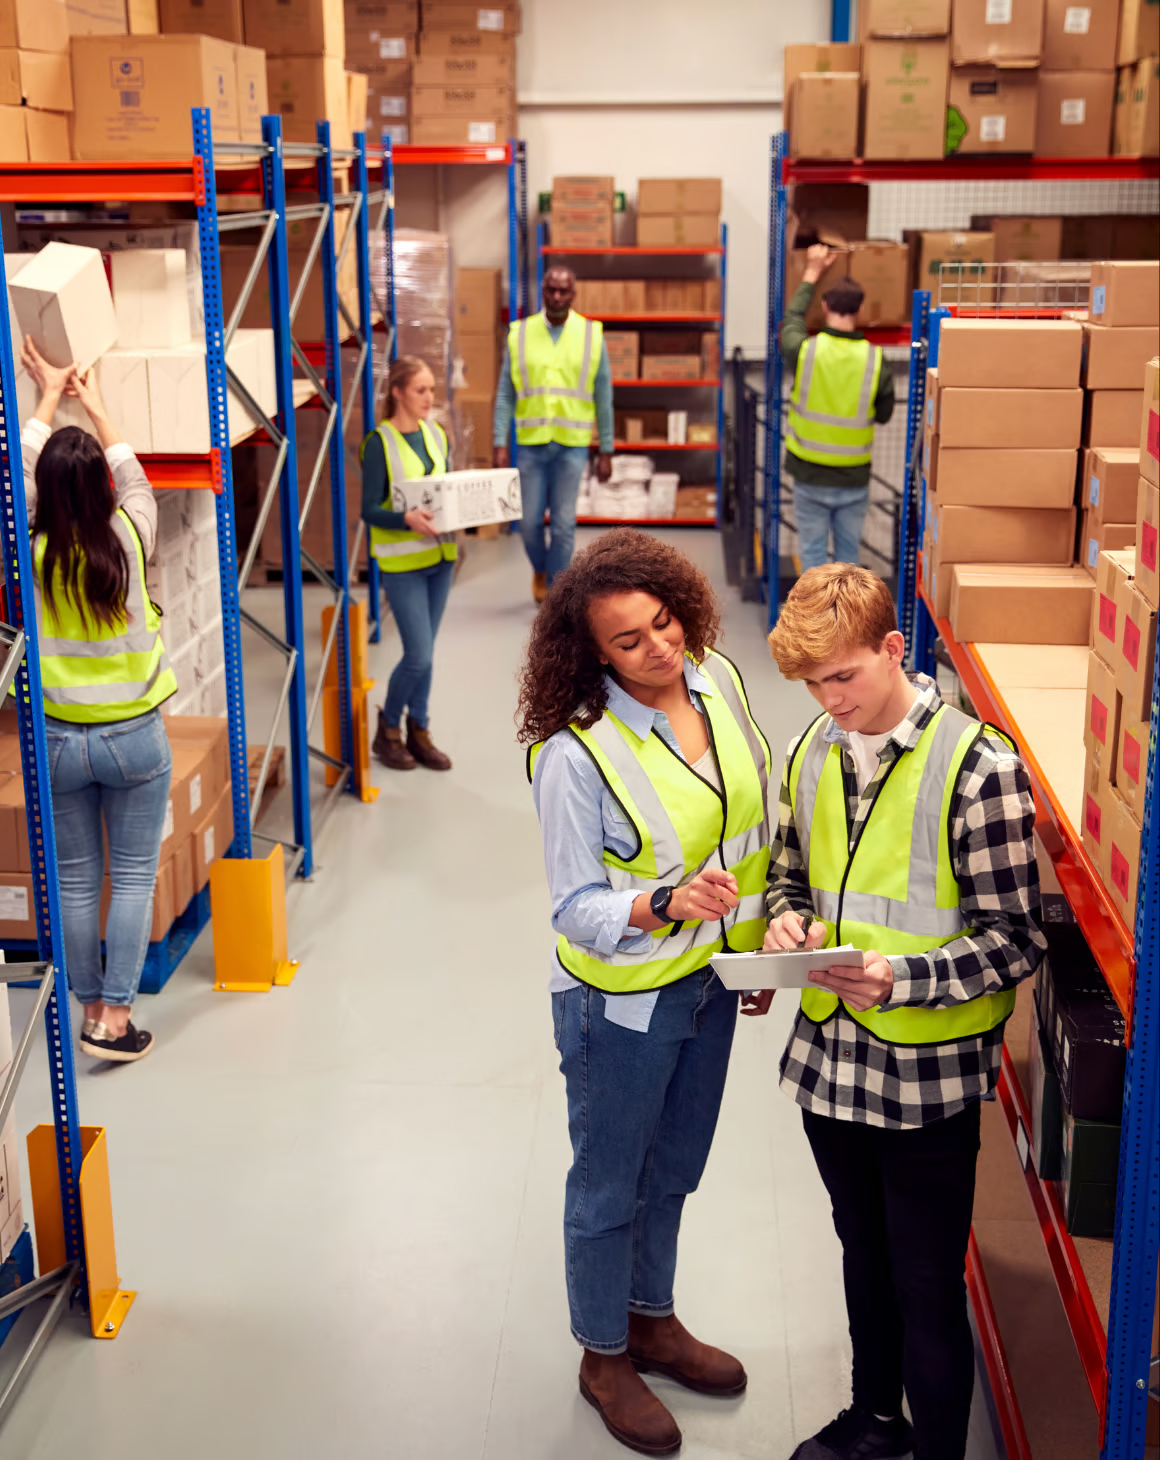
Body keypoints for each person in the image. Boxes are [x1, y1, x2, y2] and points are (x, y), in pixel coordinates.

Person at [755, 564, 1045, 1460]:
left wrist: (903, 979)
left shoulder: (977, 767)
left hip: (925, 1076)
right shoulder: (812, 750)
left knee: (925, 1279)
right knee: (861, 1257)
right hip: (829, 1065)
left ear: (894, 649)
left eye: (843, 675)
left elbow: (1016, 937)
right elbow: (788, 871)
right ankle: (874, 1420)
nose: (829, 698)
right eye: (811, 684)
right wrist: (782, 919)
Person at [518, 529, 774, 1457]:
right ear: (592, 654)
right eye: (629, 640)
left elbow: (754, 827)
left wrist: (752, 953)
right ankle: (602, 1355)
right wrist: (661, 904)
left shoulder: (720, 682)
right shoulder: (573, 754)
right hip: (621, 1005)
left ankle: (652, 1320)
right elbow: (574, 909)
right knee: (608, 1183)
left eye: (663, 622)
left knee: (674, 1170)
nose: (658, 647)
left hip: (711, 982)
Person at [20, 338, 177, 1064]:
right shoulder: (128, 538)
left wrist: (46, 397)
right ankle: (116, 1016)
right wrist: (93, 400)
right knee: (134, 875)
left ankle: (86, 1007)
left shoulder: (30, 550)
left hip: (58, 741)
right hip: (134, 740)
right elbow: (134, 478)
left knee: (79, 880)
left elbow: (17, 471)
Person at [494, 266, 614, 603]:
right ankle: (543, 569)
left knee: (563, 526)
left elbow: (604, 396)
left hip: (571, 447)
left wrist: (607, 448)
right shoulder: (519, 333)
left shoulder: (592, 334)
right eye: (551, 290)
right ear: (542, 291)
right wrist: (498, 441)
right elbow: (505, 392)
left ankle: (556, 596)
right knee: (529, 523)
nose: (557, 297)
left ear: (573, 294)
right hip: (530, 446)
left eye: (564, 291)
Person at [362, 355, 456, 773]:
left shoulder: (437, 434)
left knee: (428, 653)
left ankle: (419, 730)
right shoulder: (378, 443)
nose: (429, 397)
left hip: (441, 558)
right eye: (421, 390)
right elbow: (368, 510)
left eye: (432, 390)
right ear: (397, 391)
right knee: (417, 655)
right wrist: (406, 519)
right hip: (403, 564)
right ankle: (388, 730)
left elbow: (446, 490)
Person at [781, 244, 895, 574]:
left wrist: (811, 274)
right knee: (849, 566)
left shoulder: (806, 351)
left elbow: (791, 321)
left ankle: (815, 626)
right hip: (853, 480)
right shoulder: (875, 360)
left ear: (826, 305)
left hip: (809, 475)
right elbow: (885, 414)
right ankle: (849, 626)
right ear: (858, 311)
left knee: (814, 562)